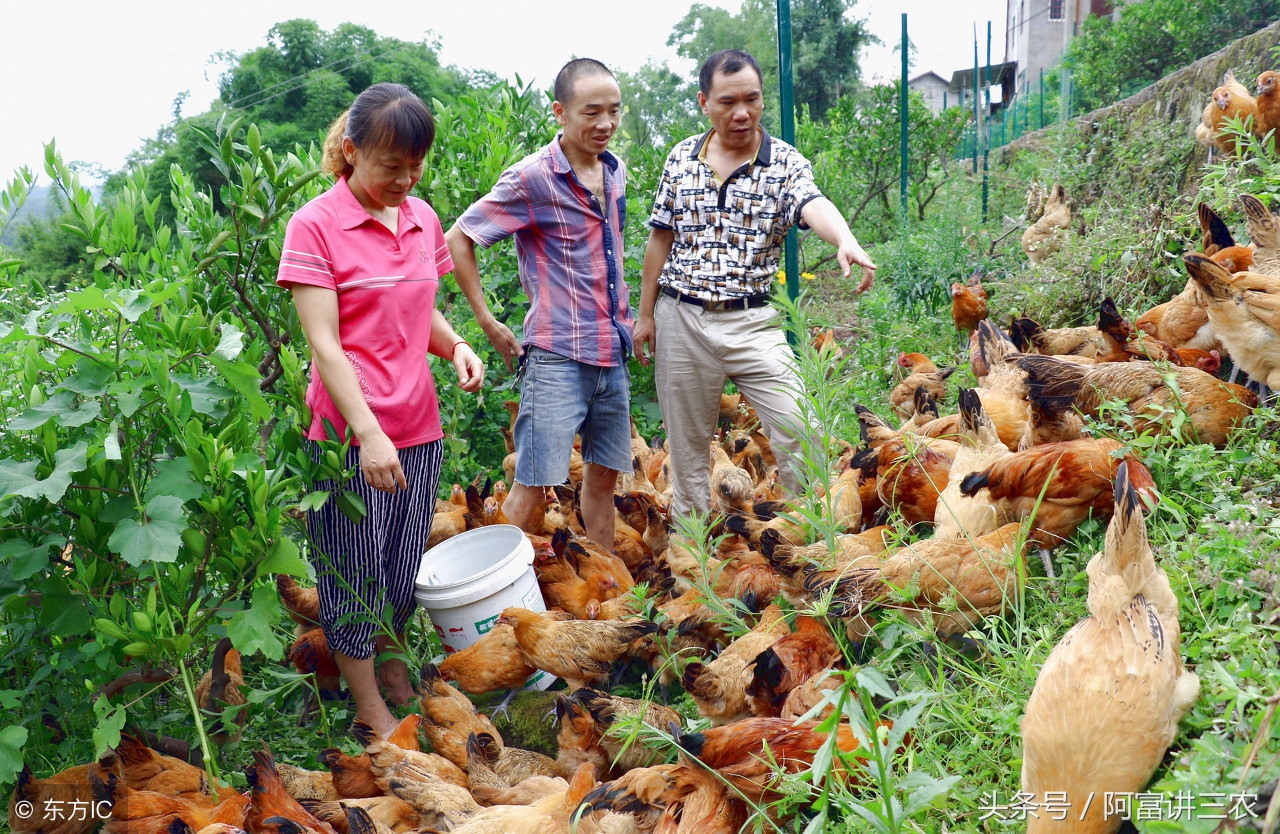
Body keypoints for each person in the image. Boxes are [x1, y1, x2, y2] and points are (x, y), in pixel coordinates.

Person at [277, 82, 484, 739]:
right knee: (352, 571)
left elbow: (418, 310)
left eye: (415, 165)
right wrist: (367, 433)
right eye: (390, 165)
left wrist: (455, 346)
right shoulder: (316, 225)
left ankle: (394, 676)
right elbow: (323, 343)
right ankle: (369, 710)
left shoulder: (422, 219)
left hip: (419, 423)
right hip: (351, 435)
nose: (405, 179)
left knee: (398, 570)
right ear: (351, 150)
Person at [635, 49, 877, 520]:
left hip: (754, 323)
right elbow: (659, 239)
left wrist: (845, 238)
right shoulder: (681, 159)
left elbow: (813, 202)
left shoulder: (784, 163)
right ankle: (693, 567)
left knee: (798, 427)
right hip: (682, 318)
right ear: (705, 102)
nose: (742, 112)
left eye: (752, 99)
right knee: (686, 455)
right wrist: (646, 315)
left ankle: (810, 543)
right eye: (728, 102)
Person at [446, 58, 632, 550]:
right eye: (592, 112)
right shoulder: (533, 178)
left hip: (611, 355)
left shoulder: (614, 172)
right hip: (557, 357)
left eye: (614, 112)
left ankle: (606, 584)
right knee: (531, 486)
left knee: (602, 482)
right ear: (560, 112)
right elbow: (458, 238)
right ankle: (490, 598)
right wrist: (486, 321)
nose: (606, 124)